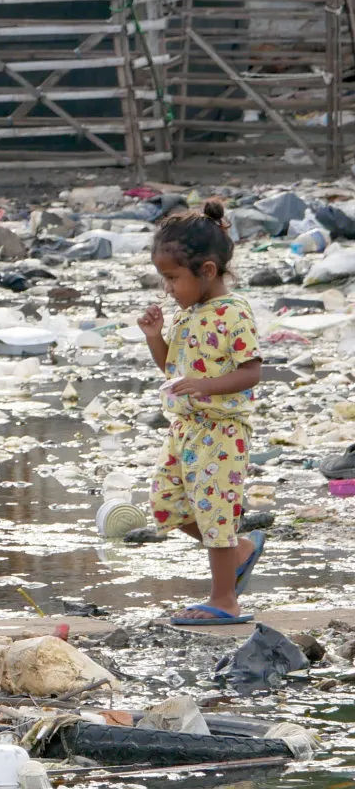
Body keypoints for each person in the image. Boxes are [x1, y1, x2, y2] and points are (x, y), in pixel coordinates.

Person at [138, 201, 267, 626]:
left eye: (173, 278)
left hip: (222, 428)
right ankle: (241, 552)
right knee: (166, 505)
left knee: (214, 511)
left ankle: (224, 599)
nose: (168, 289)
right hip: (186, 428)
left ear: (207, 271)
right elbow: (171, 369)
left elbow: (251, 372)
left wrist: (206, 386)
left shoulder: (234, 313)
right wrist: (155, 336)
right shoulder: (186, 315)